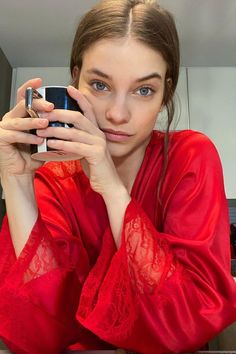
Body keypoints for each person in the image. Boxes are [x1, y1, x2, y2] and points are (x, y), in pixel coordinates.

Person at [0, 0, 235, 353]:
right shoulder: (54, 182)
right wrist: (16, 180)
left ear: (165, 93)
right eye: (100, 85)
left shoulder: (190, 156)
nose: (118, 114)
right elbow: (38, 336)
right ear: (75, 79)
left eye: (144, 90)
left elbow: (184, 323)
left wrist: (110, 187)